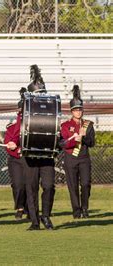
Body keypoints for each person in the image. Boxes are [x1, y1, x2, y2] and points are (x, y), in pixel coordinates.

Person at [23, 65, 56, 231]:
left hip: (47, 155)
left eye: (43, 94)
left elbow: (56, 128)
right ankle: (35, 221)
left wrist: (61, 142)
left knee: (49, 186)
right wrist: (16, 141)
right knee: (31, 187)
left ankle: (46, 216)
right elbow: (18, 129)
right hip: (30, 154)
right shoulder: (25, 111)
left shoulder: (51, 110)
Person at [60, 85, 95, 219]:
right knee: (72, 186)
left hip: (84, 158)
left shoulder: (88, 125)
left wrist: (84, 138)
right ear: (71, 111)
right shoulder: (65, 126)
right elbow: (62, 143)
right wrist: (75, 140)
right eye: (76, 110)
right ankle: (76, 210)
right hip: (70, 158)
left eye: (80, 109)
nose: (78, 112)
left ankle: (85, 208)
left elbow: (92, 143)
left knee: (86, 184)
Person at [4, 87, 28, 220]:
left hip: (27, 158)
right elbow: (8, 144)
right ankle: (19, 207)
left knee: (28, 184)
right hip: (15, 160)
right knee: (18, 185)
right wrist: (12, 146)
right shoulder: (12, 127)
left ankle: (29, 208)